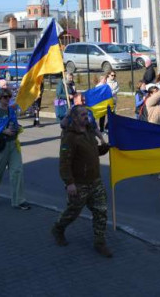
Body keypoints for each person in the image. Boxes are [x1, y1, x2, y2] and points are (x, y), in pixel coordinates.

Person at [52, 105, 112, 258]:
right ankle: (58, 228)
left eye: (87, 114)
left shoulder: (90, 132)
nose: (86, 117)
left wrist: (103, 148)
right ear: (75, 117)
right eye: (83, 114)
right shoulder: (69, 136)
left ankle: (100, 242)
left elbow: (93, 152)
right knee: (73, 212)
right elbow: (64, 162)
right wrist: (69, 182)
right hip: (79, 183)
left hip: (95, 181)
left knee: (101, 210)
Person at [0, 89, 30, 210]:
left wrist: (17, 128)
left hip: (13, 144)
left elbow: (14, 123)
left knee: (17, 171)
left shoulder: (11, 110)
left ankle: (18, 201)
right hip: (0, 146)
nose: (8, 99)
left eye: (9, 96)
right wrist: (4, 131)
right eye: (5, 97)